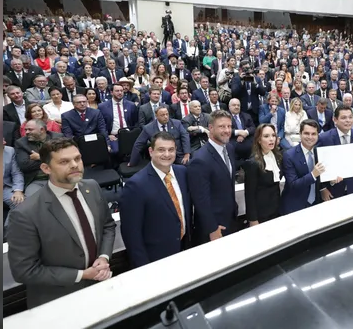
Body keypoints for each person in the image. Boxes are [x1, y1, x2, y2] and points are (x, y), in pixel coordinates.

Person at [7, 138, 116, 308]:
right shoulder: (24, 214)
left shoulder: (92, 187)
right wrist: (82, 275)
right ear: (46, 168)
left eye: (77, 159)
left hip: (101, 288)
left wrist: (103, 257)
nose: (74, 165)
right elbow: (24, 271)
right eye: (64, 161)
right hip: (59, 300)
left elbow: (108, 226)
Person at [120, 132, 192, 268]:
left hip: (184, 249)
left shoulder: (182, 172)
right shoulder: (136, 185)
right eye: (161, 150)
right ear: (151, 151)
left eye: (171, 150)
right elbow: (131, 234)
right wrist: (142, 266)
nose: (167, 154)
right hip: (155, 258)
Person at [187, 110, 240, 244]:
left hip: (230, 218)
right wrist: (212, 228)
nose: (227, 130)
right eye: (222, 126)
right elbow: (200, 200)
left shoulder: (230, 148)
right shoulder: (200, 160)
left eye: (229, 126)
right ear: (210, 128)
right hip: (214, 226)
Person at [317, 106, 353, 198]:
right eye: (343, 118)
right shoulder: (324, 138)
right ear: (335, 120)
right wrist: (322, 188)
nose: (348, 120)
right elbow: (317, 164)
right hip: (332, 190)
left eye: (350, 117)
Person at [280, 119, 326, 214]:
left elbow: (322, 178)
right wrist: (313, 175)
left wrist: (332, 181)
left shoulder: (321, 153)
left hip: (316, 203)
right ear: (300, 134)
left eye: (314, 134)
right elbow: (292, 184)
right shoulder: (289, 155)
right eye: (306, 133)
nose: (310, 137)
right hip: (295, 206)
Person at [243, 124, 284, 225]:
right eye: (266, 136)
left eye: (273, 135)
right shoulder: (253, 163)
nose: (271, 139)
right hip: (261, 214)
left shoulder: (277, 157)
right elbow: (249, 195)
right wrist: (253, 219)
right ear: (259, 140)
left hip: (276, 210)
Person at [15, 118, 63, 197]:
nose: (26, 132)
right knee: (32, 201)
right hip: (37, 180)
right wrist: (52, 159)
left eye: (30, 130)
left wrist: (40, 157)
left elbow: (64, 158)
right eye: (26, 129)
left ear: (42, 130)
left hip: (58, 177)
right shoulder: (21, 143)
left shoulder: (57, 138)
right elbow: (25, 166)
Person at [3, 140, 25, 227]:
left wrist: (18, 190)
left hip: (4, 187)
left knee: (19, 202)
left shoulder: (9, 151)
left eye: (4, 139)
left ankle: (9, 230)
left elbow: (16, 173)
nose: (4, 142)